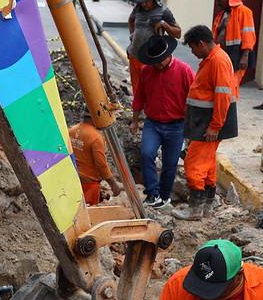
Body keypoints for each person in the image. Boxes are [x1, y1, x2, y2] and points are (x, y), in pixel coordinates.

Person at [173, 25, 238, 221]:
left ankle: (195, 210)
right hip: (205, 120)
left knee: (194, 164)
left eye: (193, 48)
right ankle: (207, 207)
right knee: (207, 164)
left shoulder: (217, 61)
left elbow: (223, 96)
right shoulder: (213, 59)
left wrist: (215, 126)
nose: (192, 52)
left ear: (201, 43)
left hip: (208, 123)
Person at [131, 35, 195, 210]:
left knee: (170, 163)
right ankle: (152, 194)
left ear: (168, 54)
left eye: (160, 60)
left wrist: (191, 129)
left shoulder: (184, 71)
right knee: (146, 154)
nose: (158, 64)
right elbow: (139, 97)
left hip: (177, 125)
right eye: (154, 61)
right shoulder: (147, 71)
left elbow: (193, 100)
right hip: (153, 123)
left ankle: (165, 196)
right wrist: (135, 121)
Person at [128, 0, 182, 96]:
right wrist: (132, 36)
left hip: (151, 58)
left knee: (151, 90)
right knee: (136, 89)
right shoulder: (138, 8)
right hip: (134, 55)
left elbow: (178, 33)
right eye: (141, 1)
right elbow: (131, 20)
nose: (144, 4)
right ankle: (138, 111)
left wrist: (164, 24)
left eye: (146, 1)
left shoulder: (163, 11)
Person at [69, 111, 122, 205]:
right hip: (89, 185)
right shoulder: (96, 137)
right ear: (97, 117)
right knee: (90, 214)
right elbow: (101, 165)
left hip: (73, 180)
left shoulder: (72, 130)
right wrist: (113, 185)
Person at [210, 0, 256, 86]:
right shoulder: (221, 15)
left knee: (231, 87)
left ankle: (231, 103)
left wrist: (245, 56)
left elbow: (248, 35)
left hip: (237, 55)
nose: (217, 3)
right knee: (223, 85)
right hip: (223, 56)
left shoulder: (244, 12)